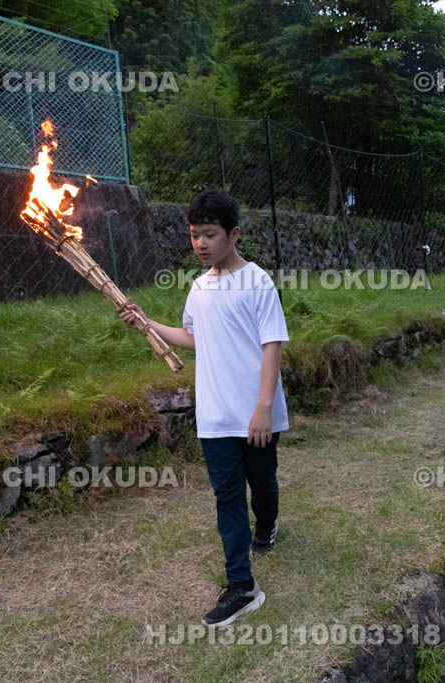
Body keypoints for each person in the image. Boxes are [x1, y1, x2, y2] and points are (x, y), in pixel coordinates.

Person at [118, 188, 288, 627]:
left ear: (233, 234)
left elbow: (273, 346)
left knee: (263, 482)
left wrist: (264, 408)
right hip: (214, 418)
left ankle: (267, 523)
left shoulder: (258, 282)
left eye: (209, 235)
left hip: (255, 413)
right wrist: (147, 323)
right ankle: (242, 586)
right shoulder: (198, 288)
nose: (200, 244)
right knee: (227, 497)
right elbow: (194, 337)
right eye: (195, 235)